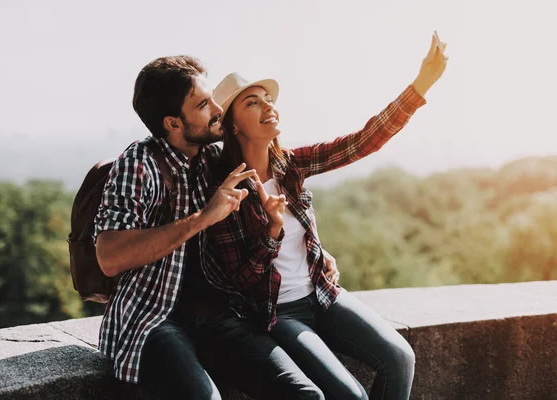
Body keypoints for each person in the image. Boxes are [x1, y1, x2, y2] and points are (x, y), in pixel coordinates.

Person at [206, 33, 448, 400]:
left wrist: (421, 84)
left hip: (323, 295)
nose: (268, 106)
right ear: (233, 125)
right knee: (351, 396)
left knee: (399, 358)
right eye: (253, 103)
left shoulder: (291, 166)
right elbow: (241, 280)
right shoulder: (227, 191)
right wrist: (272, 232)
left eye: (269, 99)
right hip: (280, 315)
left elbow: (362, 141)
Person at [93, 55, 329, 399]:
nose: (218, 109)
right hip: (155, 316)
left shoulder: (212, 158)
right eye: (203, 104)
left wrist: (319, 253)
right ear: (173, 123)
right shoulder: (140, 164)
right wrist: (203, 217)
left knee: (306, 395)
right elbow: (109, 256)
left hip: (219, 314)